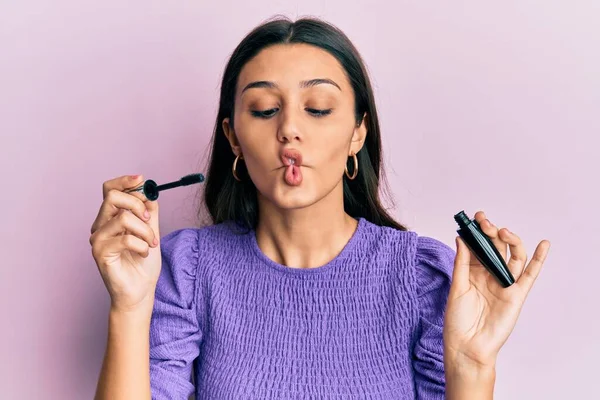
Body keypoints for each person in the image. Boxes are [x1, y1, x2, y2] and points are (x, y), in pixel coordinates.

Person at [89, 16, 551, 400]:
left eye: (318, 108)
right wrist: (128, 307)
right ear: (233, 137)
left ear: (358, 133)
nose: (289, 128)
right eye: (266, 109)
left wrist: (472, 365)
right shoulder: (187, 271)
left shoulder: (421, 277)